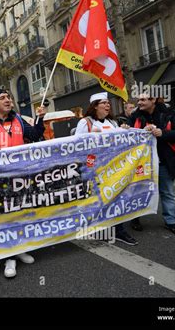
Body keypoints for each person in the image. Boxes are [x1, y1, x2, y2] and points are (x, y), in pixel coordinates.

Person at [0, 88, 46, 278]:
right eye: (2, 98)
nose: (8, 100)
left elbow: (34, 135)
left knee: (21, 214)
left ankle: (20, 249)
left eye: (9, 97)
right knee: (5, 217)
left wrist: (40, 118)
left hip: (21, 177)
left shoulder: (19, 120)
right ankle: (9, 257)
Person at [75, 92, 138, 246]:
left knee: (116, 196)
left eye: (108, 103)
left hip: (113, 167)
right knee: (99, 199)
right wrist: (89, 136)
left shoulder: (113, 123)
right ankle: (102, 229)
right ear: (95, 106)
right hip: (93, 168)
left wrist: (125, 131)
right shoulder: (85, 123)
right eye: (103, 102)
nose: (107, 105)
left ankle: (119, 230)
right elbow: (75, 144)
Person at [124, 93, 175, 235]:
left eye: (143, 99)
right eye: (138, 100)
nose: (139, 102)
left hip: (164, 162)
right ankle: (135, 219)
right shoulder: (135, 116)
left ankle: (171, 222)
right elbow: (126, 135)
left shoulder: (169, 113)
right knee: (138, 192)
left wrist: (163, 133)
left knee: (167, 192)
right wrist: (125, 129)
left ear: (152, 100)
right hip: (141, 164)